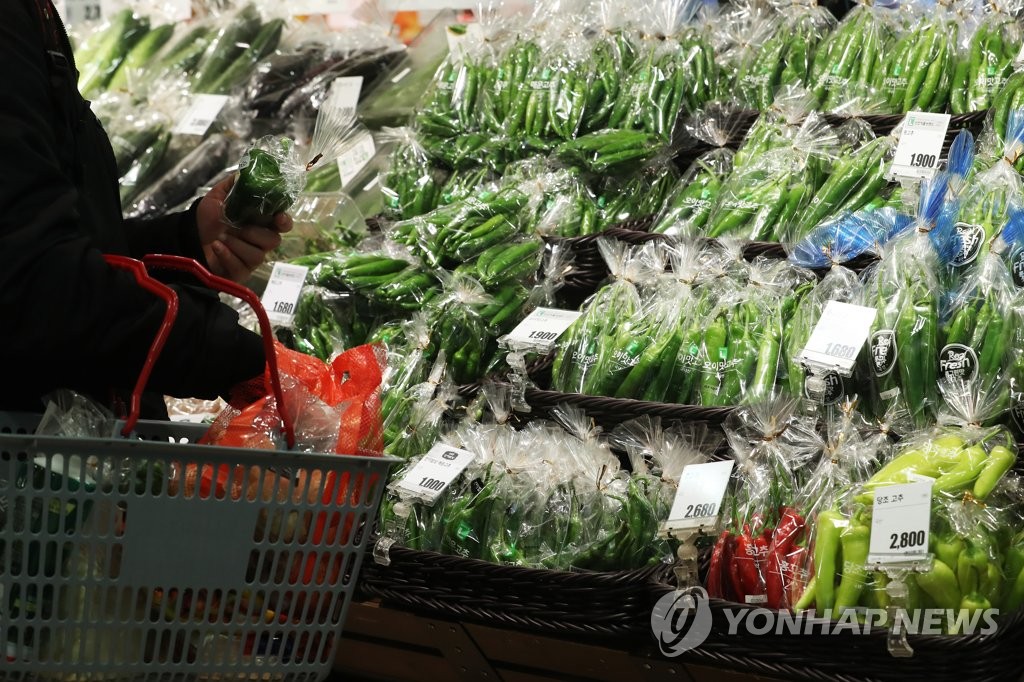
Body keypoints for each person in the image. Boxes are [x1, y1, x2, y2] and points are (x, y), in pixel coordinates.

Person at [0, 0, 291, 415]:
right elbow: (36, 285)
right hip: (29, 439)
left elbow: (44, 242)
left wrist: (182, 244)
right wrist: (237, 359)